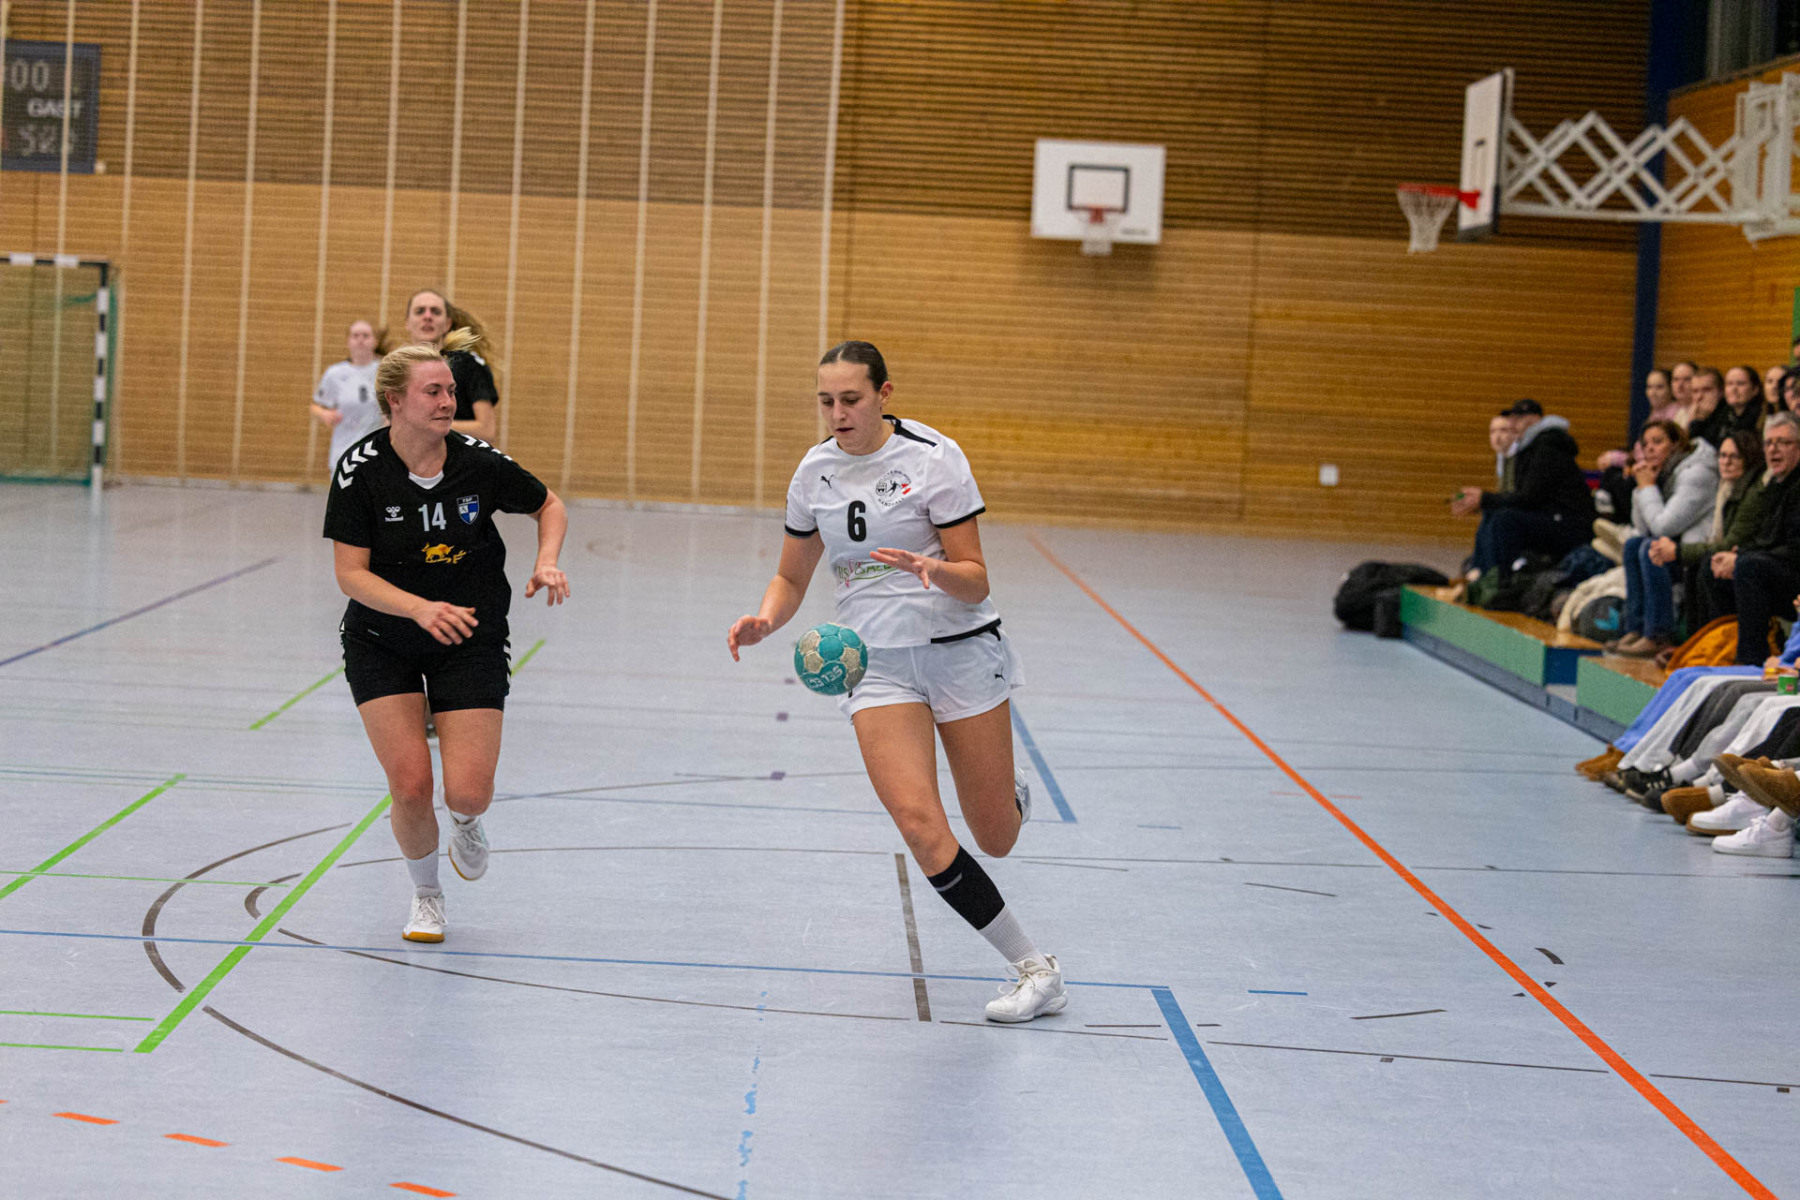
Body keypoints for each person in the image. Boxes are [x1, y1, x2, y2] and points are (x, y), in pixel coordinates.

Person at [726, 340, 1061, 1023]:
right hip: (875, 665)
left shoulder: (934, 458)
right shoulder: (814, 473)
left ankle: (1008, 792)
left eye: (851, 399)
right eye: (827, 401)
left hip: (959, 652)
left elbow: (976, 579)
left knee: (995, 835)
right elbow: (791, 575)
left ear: (883, 394)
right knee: (919, 822)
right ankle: (1034, 969)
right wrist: (767, 618)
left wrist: (932, 569)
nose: (838, 414)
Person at [323, 340, 570, 943]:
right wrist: (418, 608)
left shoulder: (477, 462)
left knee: (469, 792)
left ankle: (465, 820)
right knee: (410, 784)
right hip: (382, 637)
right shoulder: (360, 471)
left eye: (451, 391)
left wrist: (546, 561)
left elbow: (549, 505)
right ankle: (427, 895)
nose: (447, 402)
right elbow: (350, 574)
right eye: (433, 391)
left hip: (470, 635)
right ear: (394, 400)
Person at [1698, 411, 1800, 665]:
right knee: (1713, 565)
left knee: (1748, 568)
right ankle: (1719, 648)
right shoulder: (1775, 485)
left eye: (1783, 442)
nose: (1773, 449)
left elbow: (1794, 550)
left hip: (1794, 572)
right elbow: (1765, 539)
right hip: (1777, 566)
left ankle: (1750, 660)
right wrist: (1737, 554)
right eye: (1769, 443)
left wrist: (1742, 558)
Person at [1452, 399, 1594, 580]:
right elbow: (1522, 497)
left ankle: (1499, 581)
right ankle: (1480, 575)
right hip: (1550, 517)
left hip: (1568, 525)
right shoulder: (1530, 450)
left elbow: (1529, 498)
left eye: (1517, 419)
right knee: (1493, 514)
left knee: (1504, 520)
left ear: (1533, 420)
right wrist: (1485, 501)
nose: (1512, 425)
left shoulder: (1547, 449)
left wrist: (1485, 499)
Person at [1612, 420, 1718, 656]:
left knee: (1651, 548)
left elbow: (1663, 527)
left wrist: (1647, 488)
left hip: (1697, 550)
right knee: (1634, 545)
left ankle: (1658, 634)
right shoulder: (1666, 472)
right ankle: (1636, 628)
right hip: (1675, 544)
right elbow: (1642, 527)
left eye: (1658, 442)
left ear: (1676, 444)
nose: (1650, 449)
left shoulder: (1697, 473)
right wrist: (1641, 488)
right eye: (1645, 444)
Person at [1663, 428, 1768, 633]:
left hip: (1749, 557)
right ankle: (1696, 641)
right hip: (1734, 553)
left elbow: (1729, 543)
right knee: (1696, 566)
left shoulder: (1752, 493)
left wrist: (1677, 551)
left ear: (1748, 459)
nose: (1726, 462)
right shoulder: (1725, 488)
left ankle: (1712, 640)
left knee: (1707, 567)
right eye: (1722, 456)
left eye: (1734, 457)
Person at [389, 289, 502, 444]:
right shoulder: (397, 367)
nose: (427, 317)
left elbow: (486, 430)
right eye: (420, 311)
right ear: (407, 322)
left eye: (435, 312)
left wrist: (428, 424)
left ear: (447, 323)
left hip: (458, 455)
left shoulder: (469, 364)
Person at [310, 320, 383, 473]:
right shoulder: (335, 373)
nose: (360, 340)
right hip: (343, 452)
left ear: (375, 341)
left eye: (366, 335)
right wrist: (325, 414)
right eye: (355, 336)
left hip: (375, 453)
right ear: (348, 342)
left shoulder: (384, 370)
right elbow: (315, 406)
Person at [1488, 411, 1516, 488]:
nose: (1497, 437)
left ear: (1514, 433)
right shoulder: (1500, 455)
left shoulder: (1522, 458)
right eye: (1493, 431)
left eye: (1503, 430)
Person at [1670, 360, 1698, 428]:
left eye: (1687, 379)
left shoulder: (1700, 412)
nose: (1680, 385)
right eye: (1676, 379)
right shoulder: (1680, 412)